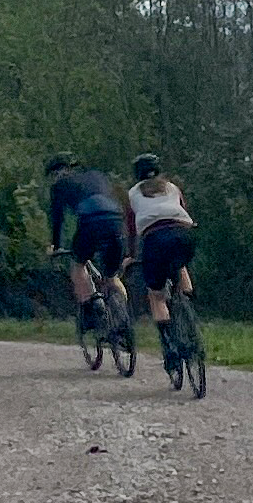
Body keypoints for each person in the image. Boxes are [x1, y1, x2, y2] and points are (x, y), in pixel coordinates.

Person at [126, 153, 197, 363]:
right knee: (180, 265)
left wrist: (131, 255)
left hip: (155, 239)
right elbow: (184, 210)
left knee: (156, 295)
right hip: (184, 234)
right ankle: (187, 304)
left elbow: (131, 228)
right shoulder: (172, 187)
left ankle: (169, 345)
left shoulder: (133, 194)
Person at [45, 153, 133, 324]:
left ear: (55, 173)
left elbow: (58, 219)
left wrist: (55, 245)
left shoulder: (59, 185)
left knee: (78, 264)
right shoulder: (96, 176)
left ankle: (90, 309)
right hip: (116, 221)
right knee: (112, 276)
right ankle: (123, 318)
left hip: (91, 223)